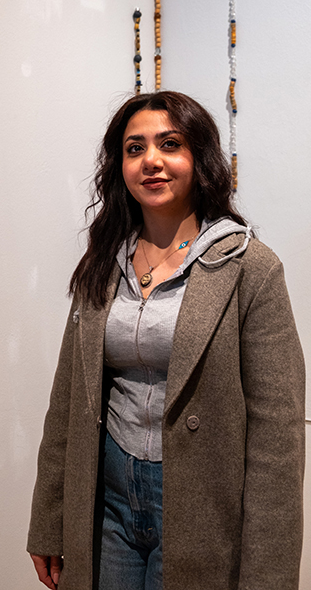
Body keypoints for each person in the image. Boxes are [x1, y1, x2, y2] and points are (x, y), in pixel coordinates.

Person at [27, 91, 305, 590]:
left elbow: (277, 436)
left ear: (200, 159)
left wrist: (269, 574)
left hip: (202, 508)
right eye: (134, 148)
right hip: (107, 498)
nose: (151, 161)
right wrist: (49, 519)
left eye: (170, 144)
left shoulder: (249, 268)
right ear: (120, 167)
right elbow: (68, 396)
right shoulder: (103, 261)